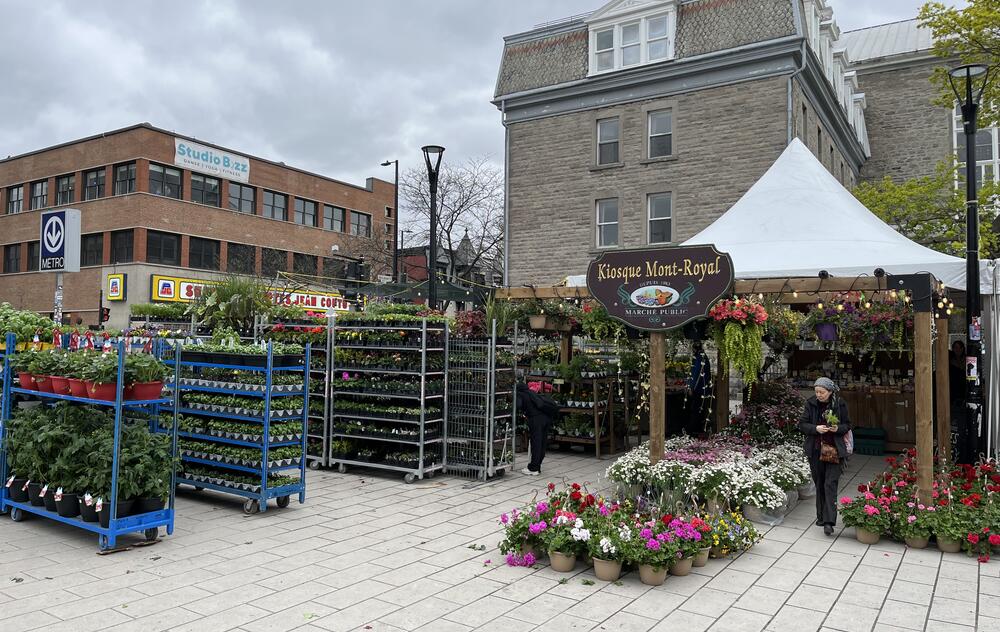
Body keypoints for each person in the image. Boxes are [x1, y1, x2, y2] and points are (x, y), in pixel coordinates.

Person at [798, 377, 851, 536]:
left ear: (830, 391)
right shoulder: (811, 403)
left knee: (830, 484)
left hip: (833, 449)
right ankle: (821, 517)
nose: (819, 395)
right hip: (815, 449)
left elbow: (847, 425)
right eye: (817, 392)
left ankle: (829, 522)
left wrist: (837, 428)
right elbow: (802, 424)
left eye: (822, 392)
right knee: (819, 483)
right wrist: (816, 428)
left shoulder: (839, 404)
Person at [516, 381, 560, 476]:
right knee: (542, 442)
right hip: (546, 418)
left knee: (536, 443)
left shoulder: (521, 394)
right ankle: (537, 466)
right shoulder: (531, 392)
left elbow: (518, 406)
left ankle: (533, 468)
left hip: (536, 420)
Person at [685, 342, 712, 436]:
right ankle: (697, 429)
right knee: (699, 409)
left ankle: (691, 430)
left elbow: (696, 374)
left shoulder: (700, 358)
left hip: (699, 389)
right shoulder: (702, 356)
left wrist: (691, 387)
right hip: (703, 389)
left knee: (696, 409)